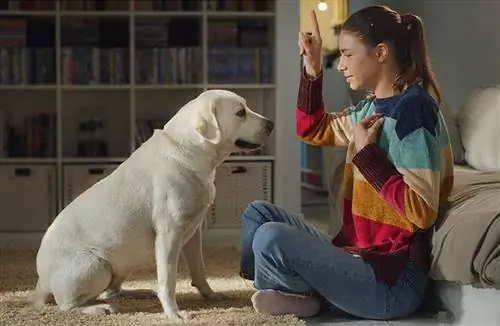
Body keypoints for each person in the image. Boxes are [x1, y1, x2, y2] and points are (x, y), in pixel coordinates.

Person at [238, 5, 455, 321]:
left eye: (348, 54)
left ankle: (305, 294)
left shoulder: (413, 111)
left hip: (392, 280)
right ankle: (293, 290)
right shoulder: (371, 107)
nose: (340, 65)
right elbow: (313, 129)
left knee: (272, 236)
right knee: (258, 214)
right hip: (359, 254)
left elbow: (421, 212)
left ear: (380, 52)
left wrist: (368, 156)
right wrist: (312, 69)